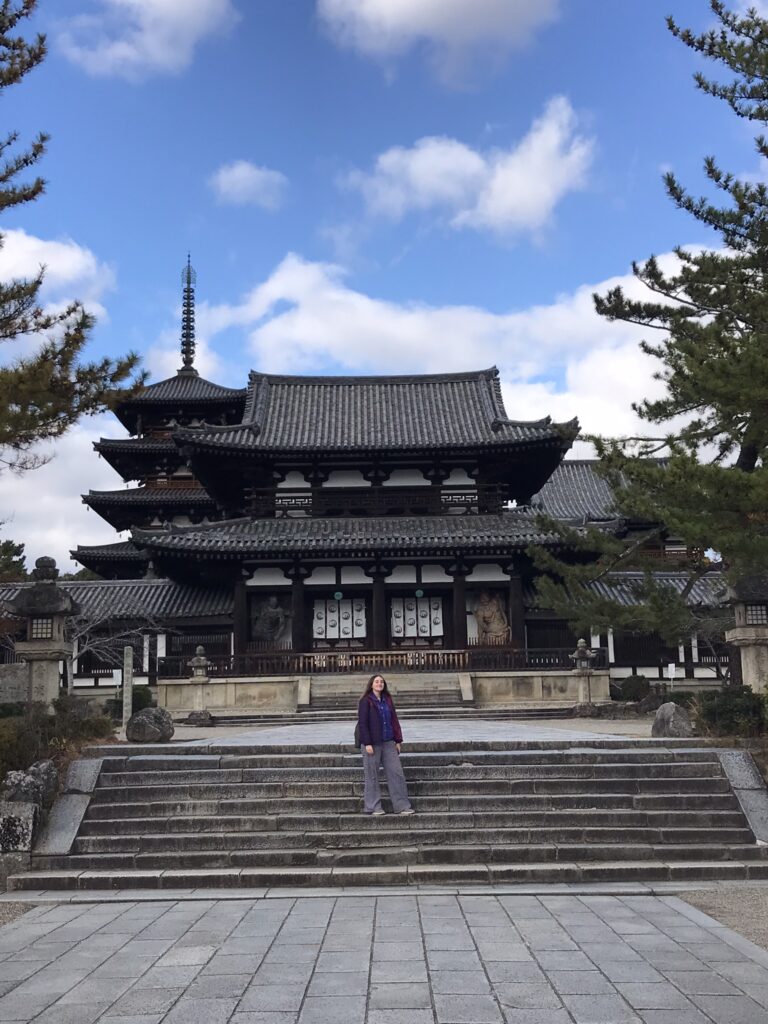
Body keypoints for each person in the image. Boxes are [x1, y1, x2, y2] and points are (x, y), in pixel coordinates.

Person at [357, 673, 414, 816]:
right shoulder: (366, 701)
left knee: (396, 773)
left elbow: (394, 720)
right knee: (372, 775)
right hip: (372, 743)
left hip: (388, 741)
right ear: (371, 684)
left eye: (381, 682)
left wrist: (398, 740)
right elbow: (363, 723)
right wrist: (367, 742)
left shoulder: (387, 700)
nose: (379, 684)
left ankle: (402, 805)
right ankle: (373, 806)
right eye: (376, 681)